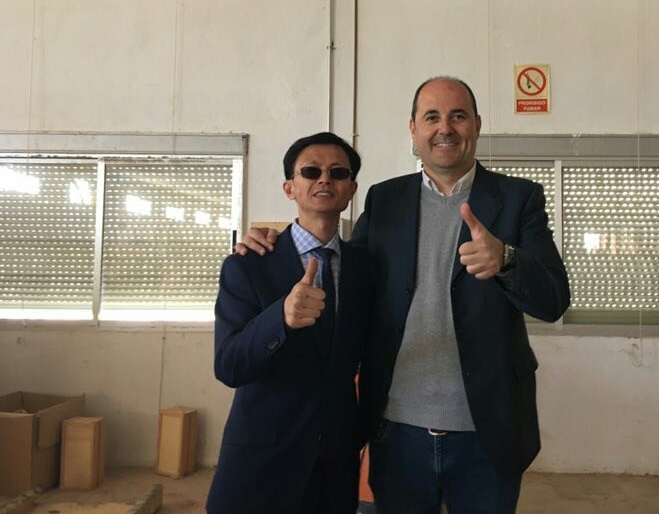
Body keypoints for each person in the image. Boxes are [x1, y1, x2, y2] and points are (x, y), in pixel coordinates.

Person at [240, 77, 571, 513]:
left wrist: (508, 260)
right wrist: (275, 244)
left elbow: (553, 299)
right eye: (432, 117)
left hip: (487, 431)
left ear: (476, 125)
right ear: (414, 129)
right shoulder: (385, 199)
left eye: (457, 116)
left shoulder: (518, 198)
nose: (445, 128)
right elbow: (343, 271)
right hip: (395, 430)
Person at [206, 132, 372, 514]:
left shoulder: (366, 269)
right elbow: (229, 365)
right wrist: (279, 318)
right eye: (311, 171)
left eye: (338, 173)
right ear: (289, 187)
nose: (324, 179)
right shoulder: (247, 265)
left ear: (351, 190)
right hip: (261, 461)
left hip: (334, 466)